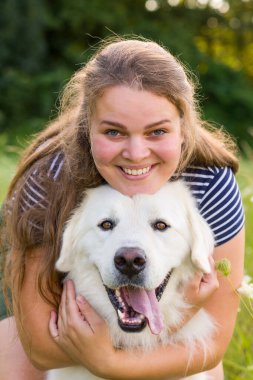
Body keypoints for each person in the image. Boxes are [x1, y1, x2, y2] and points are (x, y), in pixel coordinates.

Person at [0, 36, 245, 380]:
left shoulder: (209, 183)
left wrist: (111, 364)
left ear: (183, 133)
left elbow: (215, 342)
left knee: (199, 359)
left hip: (155, 299)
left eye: (157, 131)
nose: (136, 153)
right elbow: (41, 347)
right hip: (38, 273)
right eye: (114, 132)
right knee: (19, 366)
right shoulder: (49, 178)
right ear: (87, 133)